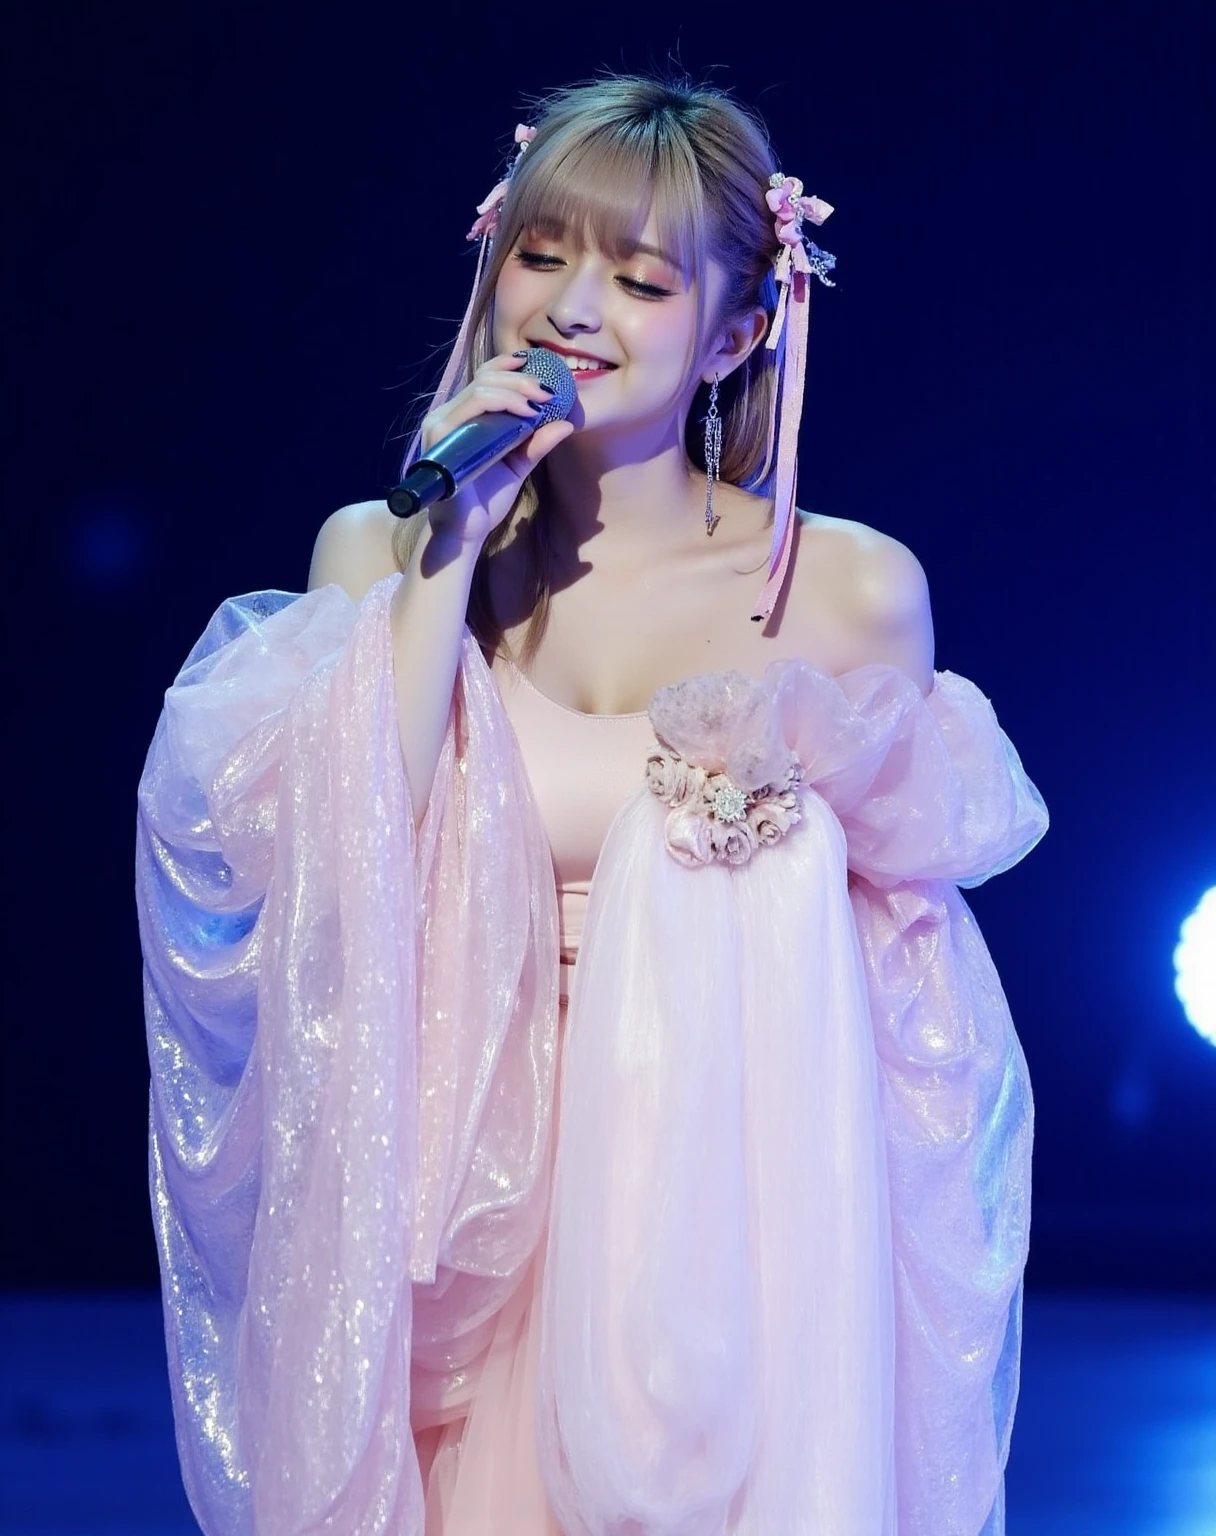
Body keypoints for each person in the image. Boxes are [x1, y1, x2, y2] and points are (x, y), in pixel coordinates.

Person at [136, 75, 1048, 1536]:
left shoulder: (848, 592)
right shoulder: (381, 555)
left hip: (726, 1235)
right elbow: (341, 869)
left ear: (738, 332)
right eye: (541, 258)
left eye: (636, 278)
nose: (571, 308)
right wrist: (456, 548)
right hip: (458, 1225)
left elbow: (912, 1010)